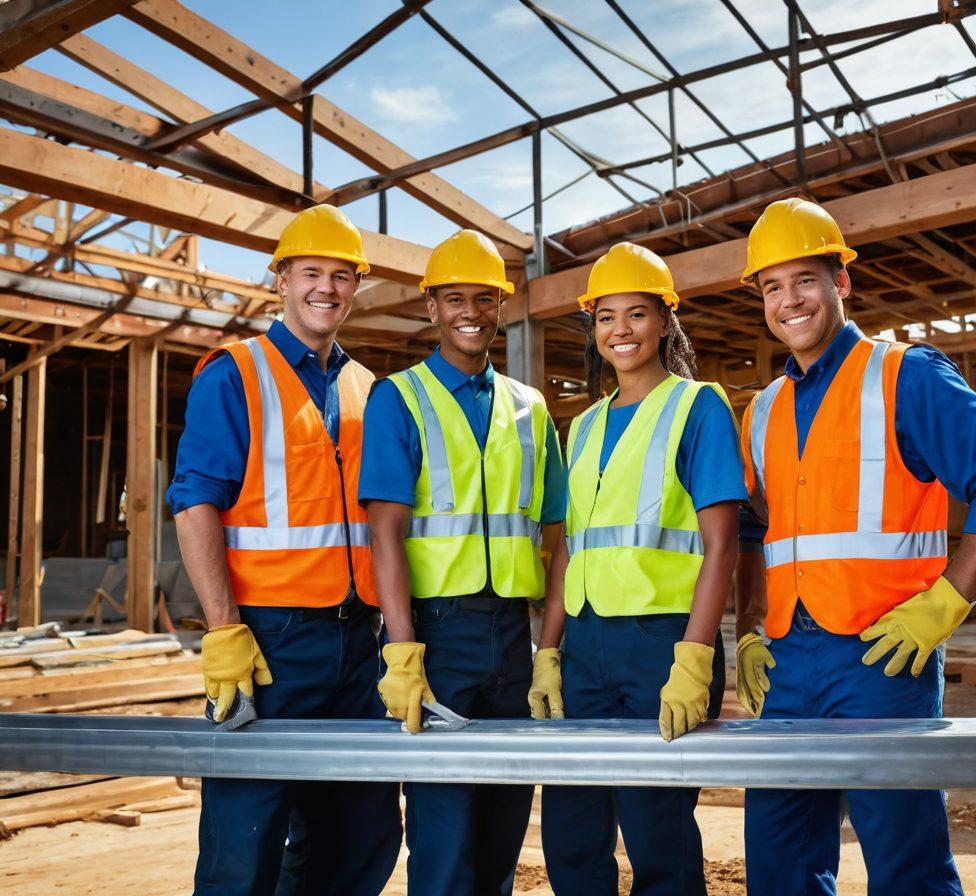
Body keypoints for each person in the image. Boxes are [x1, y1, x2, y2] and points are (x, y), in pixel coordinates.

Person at [735, 198, 976, 896]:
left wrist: (944, 605)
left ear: (840, 282)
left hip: (883, 656)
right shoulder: (760, 411)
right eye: (771, 286)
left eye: (804, 280)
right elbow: (752, 531)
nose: (789, 300)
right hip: (788, 663)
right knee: (778, 864)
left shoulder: (905, 374)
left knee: (906, 868)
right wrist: (748, 627)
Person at [168, 204, 402, 895]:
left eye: (341, 275)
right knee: (247, 842)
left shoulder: (369, 389)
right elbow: (193, 503)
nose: (325, 288)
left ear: (356, 285)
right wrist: (223, 630)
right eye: (310, 273)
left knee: (362, 836)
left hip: (357, 645)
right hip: (268, 643)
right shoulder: (235, 373)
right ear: (280, 279)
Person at [361, 229, 567, 896]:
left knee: (504, 831)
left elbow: (558, 539)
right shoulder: (400, 397)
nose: (470, 312)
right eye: (455, 299)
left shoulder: (531, 409)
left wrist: (549, 648)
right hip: (438, 636)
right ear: (431, 307)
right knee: (445, 840)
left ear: (501, 307)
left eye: (484, 298)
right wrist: (403, 649)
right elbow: (385, 533)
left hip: (513, 633)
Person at [535, 242, 745, 896]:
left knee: (656, 830)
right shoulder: (584, 424)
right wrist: (549, 648)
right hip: (585, 643)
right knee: (570, 829)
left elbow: (723, 543)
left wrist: (696, 656)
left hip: (661, 642)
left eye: (636, 314)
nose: (620, 330)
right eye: (604, 317)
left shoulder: (698, 406)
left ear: (665, 323)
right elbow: (572, 544)